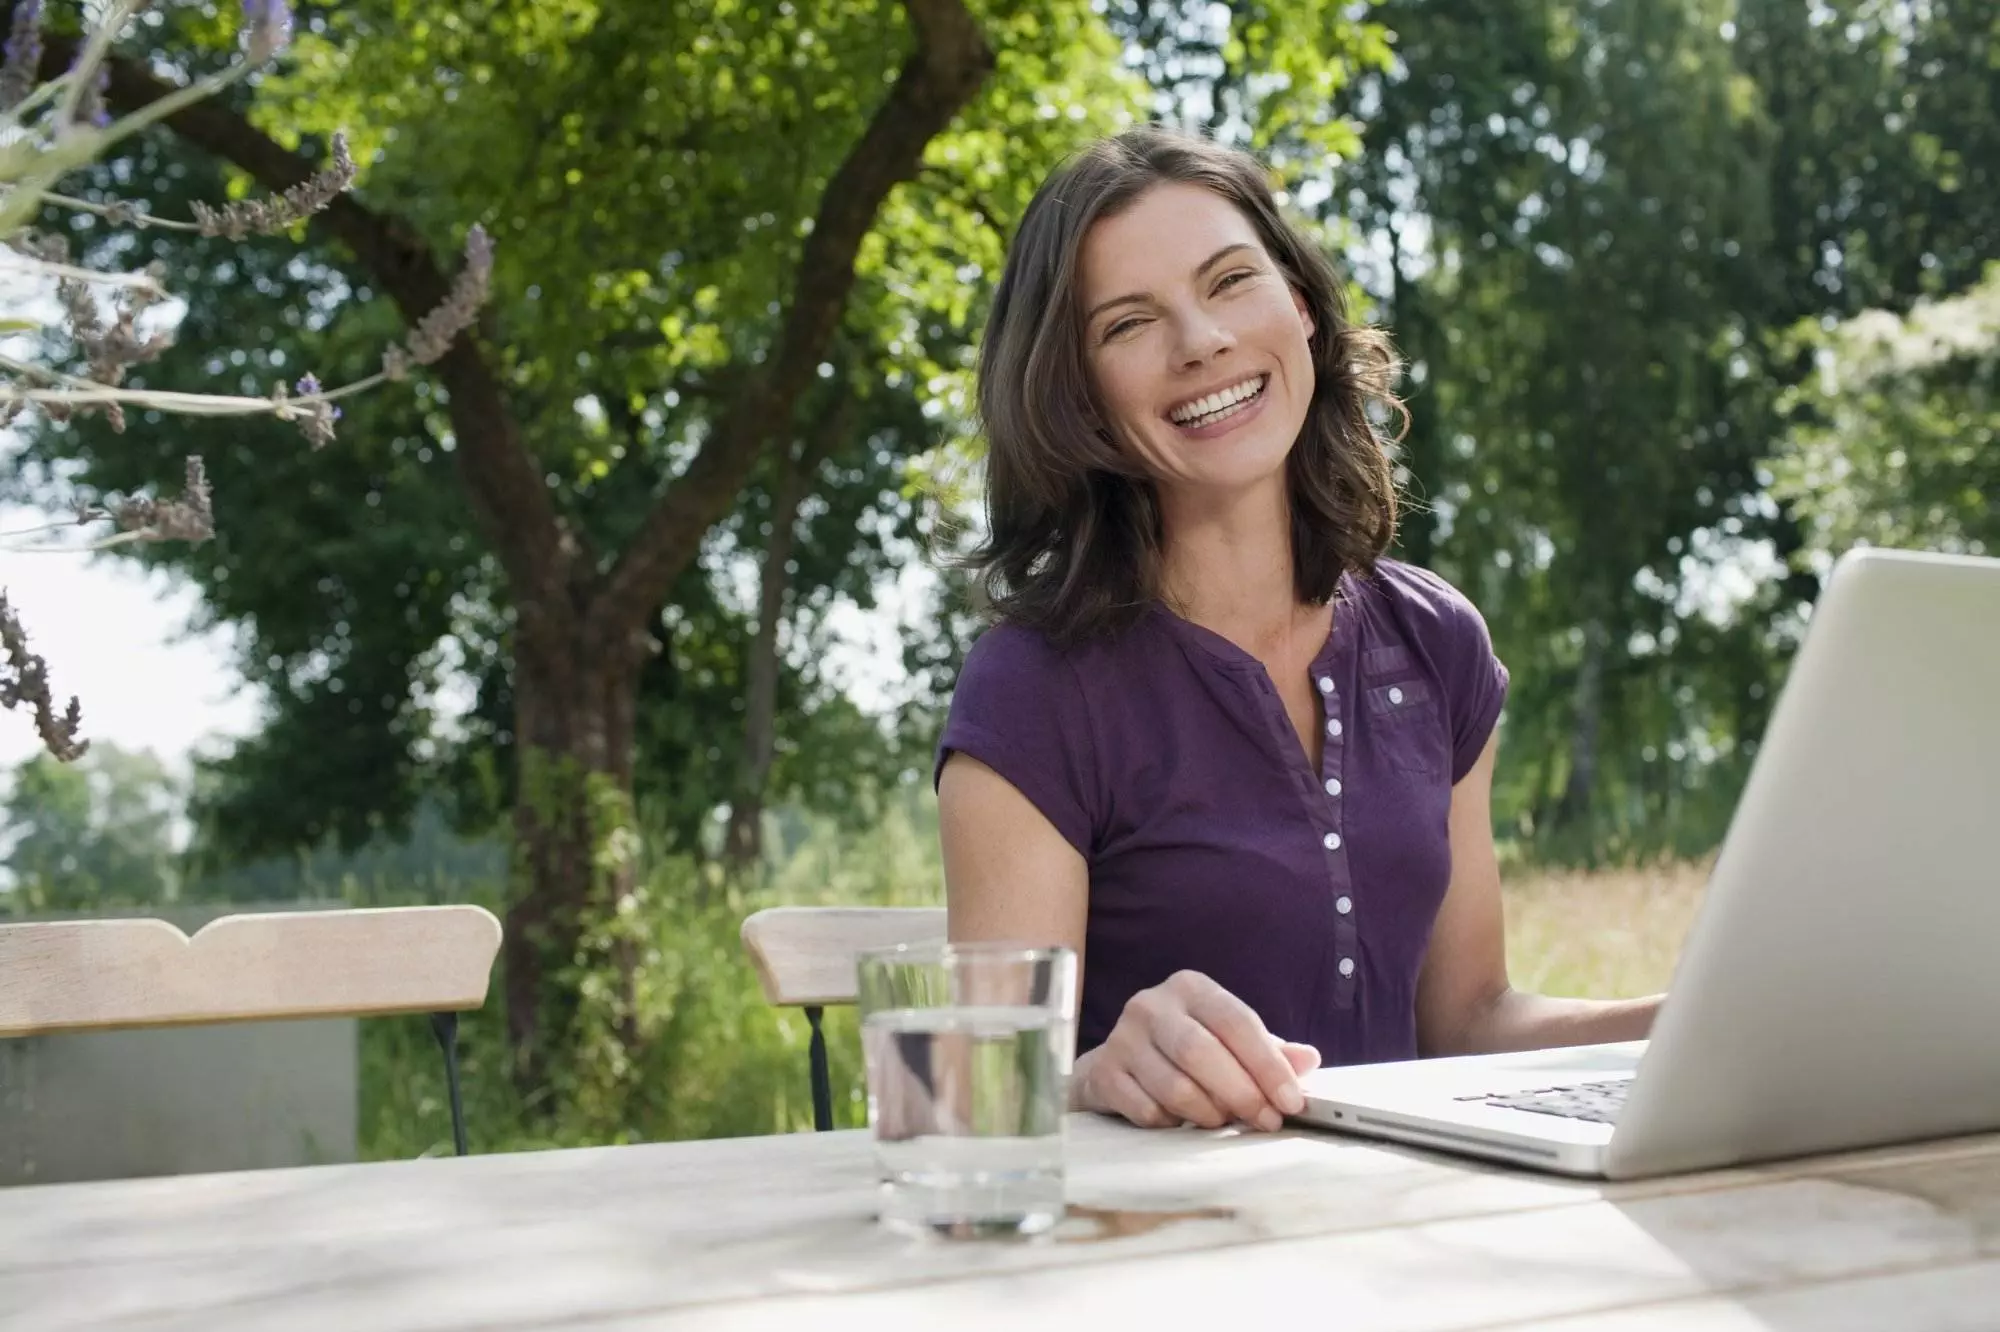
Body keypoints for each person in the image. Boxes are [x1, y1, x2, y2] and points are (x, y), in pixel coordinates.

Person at [933, 125, 1662, 1136]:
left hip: (1412, 1237)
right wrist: (1094, 1073)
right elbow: (984, 1092)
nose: (1200, 340)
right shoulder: (1032, 690)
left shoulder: (1435, 642)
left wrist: (1701, 1018)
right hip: (1161, 1257)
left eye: (1230, 281)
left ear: (1303, 308)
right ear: (1079, 399)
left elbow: (1467, 1020)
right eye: (1128, 324)